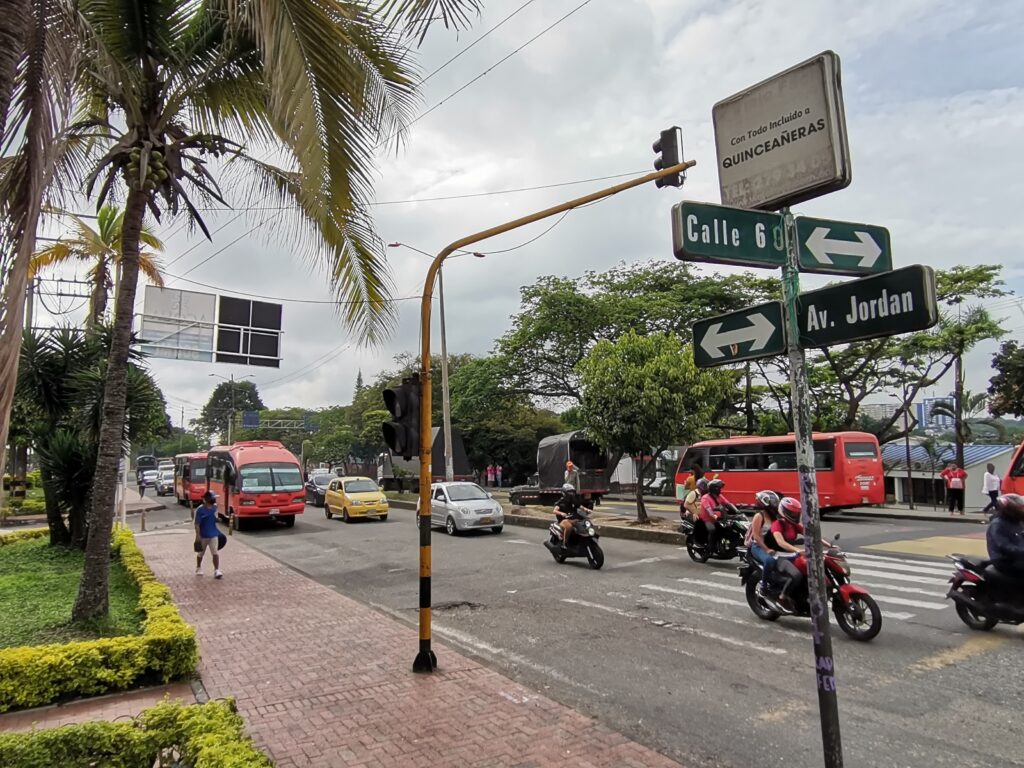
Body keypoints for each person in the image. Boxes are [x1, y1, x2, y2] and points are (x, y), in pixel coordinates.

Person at [747, 490, 781, 595]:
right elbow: (756, 537)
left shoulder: (775, 516)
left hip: (771, 545)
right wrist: (767, 549)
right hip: (758, 547)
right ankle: (764, 586)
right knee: (770, 560)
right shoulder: (759, 516)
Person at [986, 494, 1024, 580]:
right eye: (1020, 508)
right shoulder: (998, 524)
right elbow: (1005, 546)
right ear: (1010, 510)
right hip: (1004, 560)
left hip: (1017, 558)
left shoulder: (1017, 522)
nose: (1022, 510)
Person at [698, 479, 736, 555]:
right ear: (714, 489)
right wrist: (714, 516)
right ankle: (710, 548)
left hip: (719, 519)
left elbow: (728, 504)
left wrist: (737, 511)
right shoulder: (705, 498)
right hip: (707, 520)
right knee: (712, 530)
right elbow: (709, 509)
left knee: (730, 528)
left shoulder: (719, 496)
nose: (720, 490)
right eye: (719, 488)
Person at [554, 482, 591, 549]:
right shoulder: (561, 501)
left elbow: (579, 506)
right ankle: (564, 543)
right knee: (569, 527)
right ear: (565, 493)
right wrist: (561, 513)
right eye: (569, 492)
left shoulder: (573, 500)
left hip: (572, 519)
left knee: (583, 523)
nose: (571, 494)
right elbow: (554, 511)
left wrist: (586, 510)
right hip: (563, 520)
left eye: (572, 492)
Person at [194, 491, 223, 579]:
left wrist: (218, 520)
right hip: (203, 535)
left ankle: (216, 570)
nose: (214, 499)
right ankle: (198, 567)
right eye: (213, 498)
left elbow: (215, 518)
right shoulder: (200, 510)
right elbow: (197, 524)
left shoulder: (215, 507)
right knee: (201, 553)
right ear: (207, 499)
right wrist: (198, 536)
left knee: (215, 552)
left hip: (213, 534)